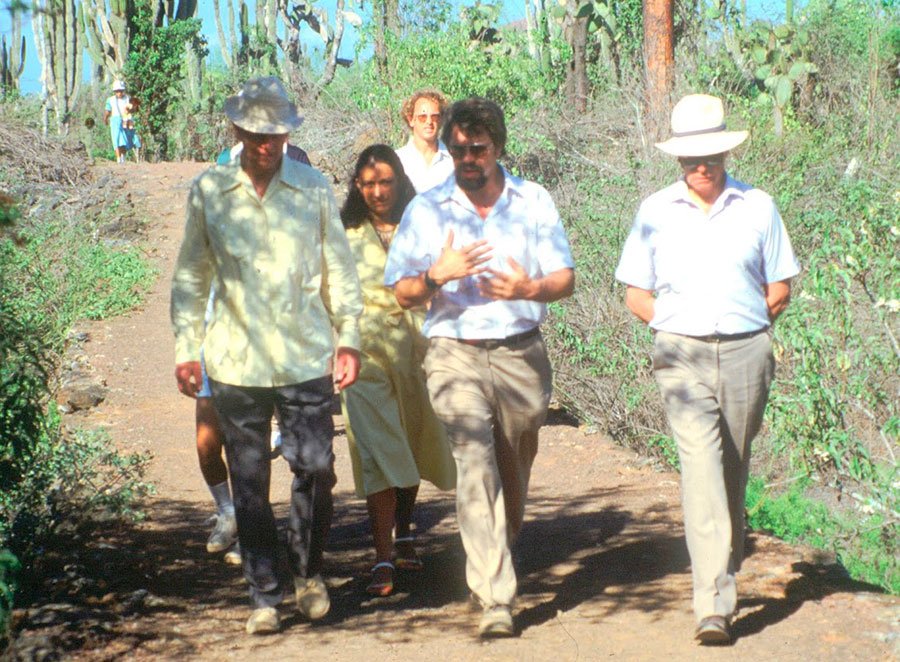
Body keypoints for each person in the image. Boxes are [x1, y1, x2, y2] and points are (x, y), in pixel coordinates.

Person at [171, 76, 363, 635]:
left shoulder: (313, 188)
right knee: (249, 480)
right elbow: (190, 275)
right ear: (236, 129)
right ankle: (264, 593)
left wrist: (348, 337)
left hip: (305, 356)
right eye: (255, 133)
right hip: (234, 362)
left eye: (275, 134)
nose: (266, 144)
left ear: (287, 133)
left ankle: (308, 572)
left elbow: (340, 271)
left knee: (317, 467)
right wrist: (187, 349)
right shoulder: (209, 191)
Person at [384, 98, 575, 637]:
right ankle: (495, 595)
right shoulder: (427, 210)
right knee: (473, 460)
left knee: (514, 459)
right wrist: (435, 276)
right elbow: (401, 292)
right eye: (458, 147)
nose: (468, 157)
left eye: (479, 148)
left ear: (499, 147)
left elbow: (565, 277)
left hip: (520, 351)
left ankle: (499, 543)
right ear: (445, 147)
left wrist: (529, 287)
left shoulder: (533, 200)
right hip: (453, 351)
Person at [614, 93, 800, 645]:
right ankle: (712, 602)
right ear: (677, 160)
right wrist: (673, 328)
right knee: (700, 467)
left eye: (711, 156)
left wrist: (742, 323)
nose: (702, 167)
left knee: (731, 468)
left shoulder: (759, 206)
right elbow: (634, 292)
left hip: (747, 351)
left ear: (726, 154)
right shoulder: (654, 211)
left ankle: (725, 562)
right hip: (679, 353)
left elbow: (780, 287)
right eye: (691, 158)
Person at [338, 145, 456, 597]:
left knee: (411, 440)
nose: (377, 191)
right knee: (378, 450)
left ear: (401, 182)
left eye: (386, 182)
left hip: (417, 347)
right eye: (368, 183)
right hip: (363, 353)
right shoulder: (344, 232)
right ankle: (382, 556)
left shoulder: (422, 224)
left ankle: (405, 531)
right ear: (356, 186)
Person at [394, 90, 454, 193]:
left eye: (434, 117)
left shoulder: (454, 160)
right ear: (411, 120)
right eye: (422, 117)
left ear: (441, 120)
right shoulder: (396, 160)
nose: (429, 122)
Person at [103, 80, 142, 164]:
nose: (119, 93)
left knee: (125, 139)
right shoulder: (110, 100)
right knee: (116, 139)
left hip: (126, 120)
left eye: (121, 91)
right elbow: (107, 110)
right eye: (117, 91)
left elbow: (134, 109)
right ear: (114, 91)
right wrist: (105, 119)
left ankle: (123, 157)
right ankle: (118, 158)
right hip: (115, 120)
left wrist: (132, 109)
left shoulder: (128, 98)